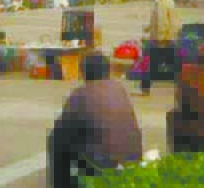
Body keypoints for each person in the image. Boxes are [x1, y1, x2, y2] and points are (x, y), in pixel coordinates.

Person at [47, 53, 143, 187]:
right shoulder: (119, 89)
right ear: (108, 70)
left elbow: (63, 128)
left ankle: (61, 184)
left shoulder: (81, 93)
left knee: (56, 138)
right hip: (131, 164)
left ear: (83, 72)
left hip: (102, 168)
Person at [138, 0, 179, 96]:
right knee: (174, 65)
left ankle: (145, 87)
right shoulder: (170, 2)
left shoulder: (160, 3)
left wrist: (160, 38)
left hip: (161, 40)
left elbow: (162, 21)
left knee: (152, 64)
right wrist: (149, 28)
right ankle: (184, 86)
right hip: (169, 38)